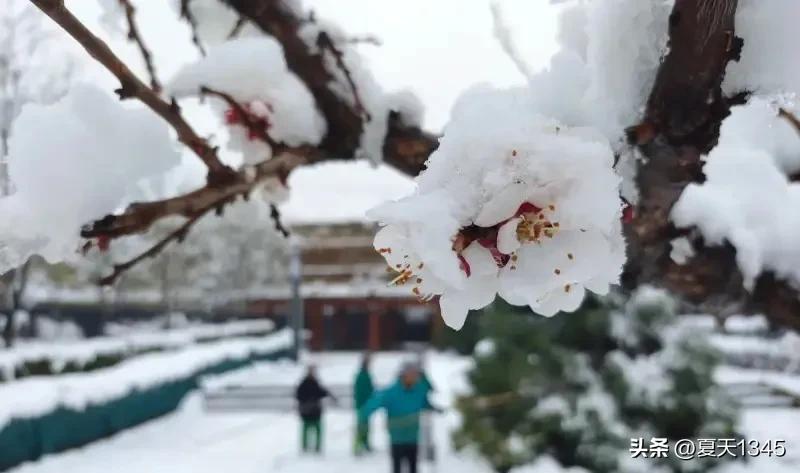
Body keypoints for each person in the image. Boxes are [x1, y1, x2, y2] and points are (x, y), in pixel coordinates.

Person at [359, 362, 439, 473]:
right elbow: (373, 404)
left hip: (413, 437)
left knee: (413, 467)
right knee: (397, 468)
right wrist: (363, 417)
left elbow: (425, 402)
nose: (415, 378)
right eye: (412, 375)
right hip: (397, 438)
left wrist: (435, 408)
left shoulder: (419, 390)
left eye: (416, 375)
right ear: (404, 375)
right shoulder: (391, 392)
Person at [295, 364, 336, 453]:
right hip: (307, 411)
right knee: (307, 430)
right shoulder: (304, 384)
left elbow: (322, 392)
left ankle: (316, 446)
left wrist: (331, 396)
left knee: (317, 429)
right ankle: (305, 446)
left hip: (315, 411)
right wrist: (307, 400)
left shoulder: (315, 383)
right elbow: (299, 395)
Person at [353, 352, 375, 455]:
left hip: (367, 404)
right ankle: (357, 446)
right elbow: (361, 392)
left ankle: (365, 443)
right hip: (362, 405)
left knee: (366, 426)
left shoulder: (367, 375)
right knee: (361, 426)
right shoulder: (361, 376)